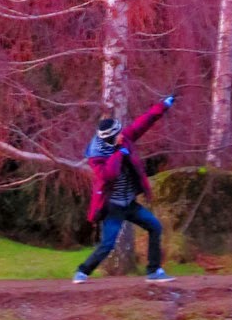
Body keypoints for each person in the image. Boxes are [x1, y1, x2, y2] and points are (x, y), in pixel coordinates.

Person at [73, 96, 176, 283]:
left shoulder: (123, 139)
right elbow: (108, 175)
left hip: (129, 203)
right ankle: (82, 271)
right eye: (118, 134)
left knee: (155, 227)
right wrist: (119, 153)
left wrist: (163, 106)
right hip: (113, 206)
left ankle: (153, 271)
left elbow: (142, 124)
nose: (123, 135)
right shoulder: (97, 156)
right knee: (108, 245)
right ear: (111, 139)